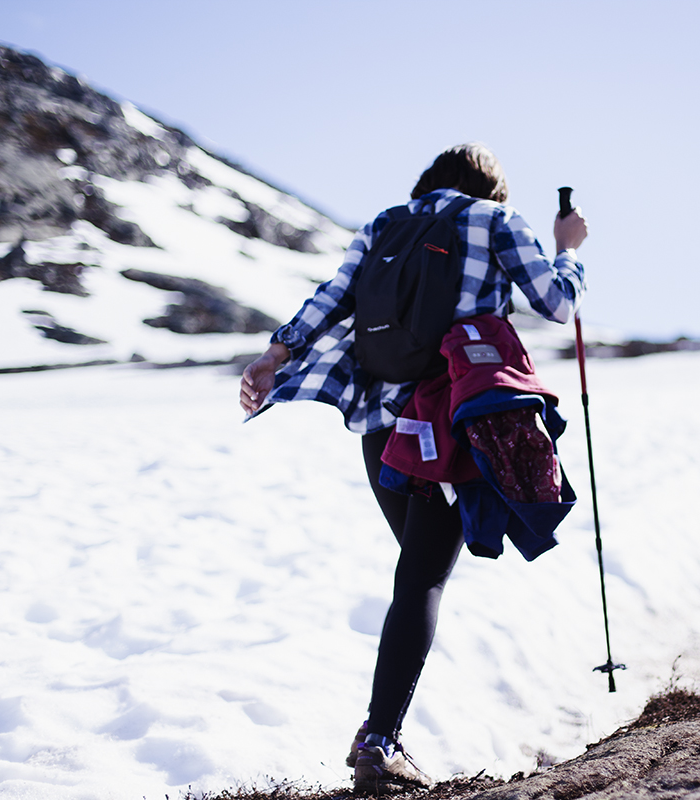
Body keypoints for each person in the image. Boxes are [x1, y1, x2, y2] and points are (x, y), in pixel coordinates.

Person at [239, 143, 588, 792]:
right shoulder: (496, 221)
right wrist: (569, 248)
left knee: (420, 571)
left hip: (378, 424)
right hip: (450, 420)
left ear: (429, 184)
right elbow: (556, 304)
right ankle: (380, 741)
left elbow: (332, 298)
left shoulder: (384, 224)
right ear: (493, 190)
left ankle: (381, 733)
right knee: (423, 577)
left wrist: (272, 356)